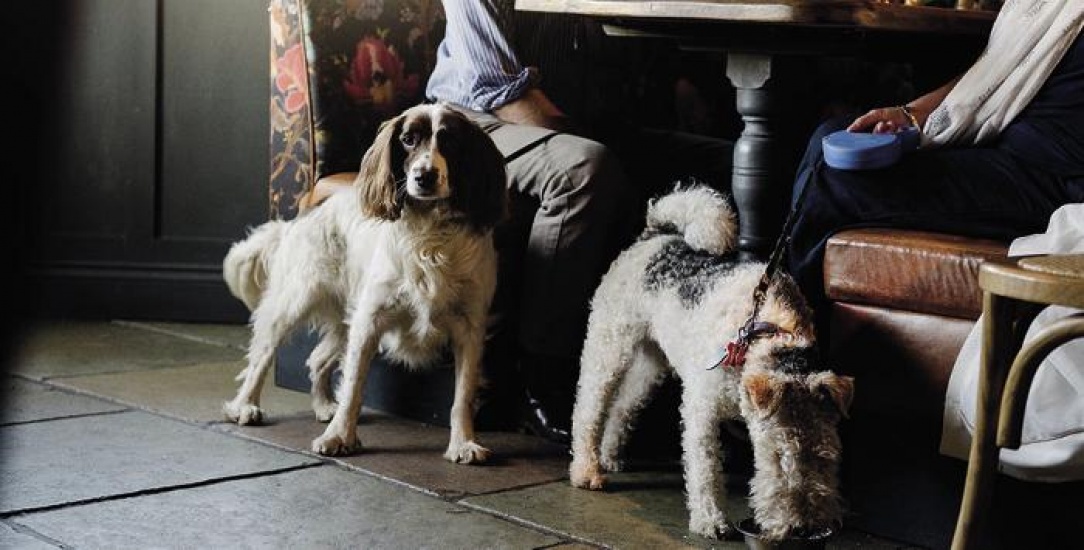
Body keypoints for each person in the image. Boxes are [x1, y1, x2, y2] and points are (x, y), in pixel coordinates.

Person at [426, 1, 734, 443]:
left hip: (578, 123)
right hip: (473, 127)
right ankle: (539, 378)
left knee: (732, 161)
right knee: (585, 169)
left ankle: (722, 367)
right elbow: (500, 88)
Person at [786, 1, 1084, 327]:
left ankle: (791, 342)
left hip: (1055, 182)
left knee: (832, 179)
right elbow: (1003, 71)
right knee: (830, 138)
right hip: (1003, 146)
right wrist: (911, 113)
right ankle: (786, 328)